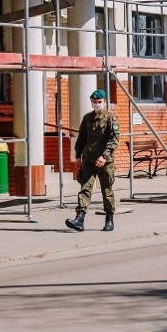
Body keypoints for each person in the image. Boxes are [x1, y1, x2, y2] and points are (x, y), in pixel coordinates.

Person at [65, 89, 120, 232]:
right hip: (88, 159)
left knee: (106, 190)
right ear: (91, 102)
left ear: (104, 102)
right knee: (85, 188)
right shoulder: (87, 118)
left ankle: (109, 218)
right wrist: (77, 156)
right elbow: (81, 138)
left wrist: (104, 156)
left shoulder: (110, 118)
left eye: (99, 102)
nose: (97, 104)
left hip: (104, 161)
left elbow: (114, 139)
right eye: (94, 102)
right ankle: (79, 219)